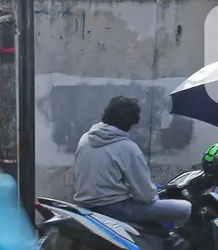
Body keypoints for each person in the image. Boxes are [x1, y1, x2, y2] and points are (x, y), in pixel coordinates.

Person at [73, 95, 191, 224]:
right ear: (133, 120)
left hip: (84, 206)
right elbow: (146, 195)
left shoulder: (85, 139)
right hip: (116, 208)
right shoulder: (128, 148)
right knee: (186, 208)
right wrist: (153, 194)